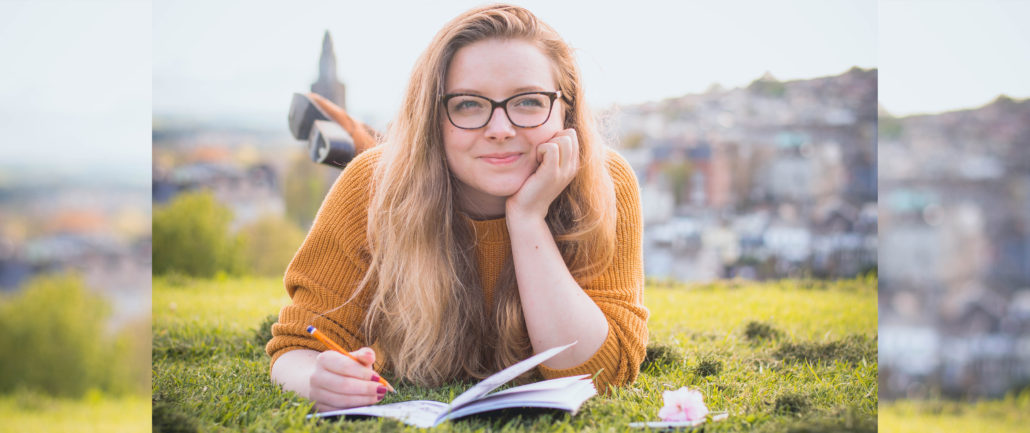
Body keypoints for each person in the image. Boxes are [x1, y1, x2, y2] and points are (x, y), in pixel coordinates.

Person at [267, 4, 649, 412]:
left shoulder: (605, 182)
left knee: (408, 159)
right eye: (468, 104)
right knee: (392, 169)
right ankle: (363, 136)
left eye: (529, 102)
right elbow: (297, 348)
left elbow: (602, 374)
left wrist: (527, 219)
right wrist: (318, 379)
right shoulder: (370, 185)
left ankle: (357, 132)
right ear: (433, 114)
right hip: (408, 170)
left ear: (566, 109)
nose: (501, 130)